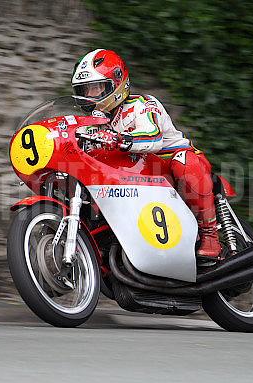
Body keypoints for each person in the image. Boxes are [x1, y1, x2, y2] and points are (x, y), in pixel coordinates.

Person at [71, 49, 221, 259]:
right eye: (85, 90)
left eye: (96, 88)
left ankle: (210, 233)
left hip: (169, 165)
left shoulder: (142, 104)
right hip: (140, 181)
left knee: (184, 161)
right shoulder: (95, 123)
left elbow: (152, 136)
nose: (89, 96)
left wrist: (121, 139)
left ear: (116, 83)